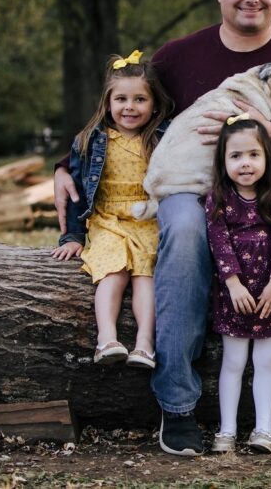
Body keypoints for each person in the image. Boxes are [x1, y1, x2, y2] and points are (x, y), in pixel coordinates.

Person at [54, 0, 271, 456]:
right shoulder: (178, 57)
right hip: (194, 188)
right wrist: (67, 166)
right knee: (180, 228)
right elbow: (123, 115)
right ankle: (175, 406)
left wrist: (267, 130)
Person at [51, 51, 172, 370]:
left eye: (139, 99)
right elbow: (76, 191)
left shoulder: (161, 140)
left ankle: (145, 344)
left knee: (147, 275)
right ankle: (107, 339)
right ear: (107, 103)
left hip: (148, 221)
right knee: (112, 271)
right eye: (121, 98)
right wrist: (72, 237)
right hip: (107, 221)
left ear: (155, 104)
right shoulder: (90, 140)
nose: (129, 107)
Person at [206, 117, 271, 455]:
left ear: (266, 158)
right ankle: (227, 431)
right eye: (236, 156)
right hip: (236, 294)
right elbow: (219, 242)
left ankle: (263, 431)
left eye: (254, 155)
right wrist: (232, 283)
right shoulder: (218, 199)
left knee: (267, 362)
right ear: (223, 161)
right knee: (234, 361)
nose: (245, 163)